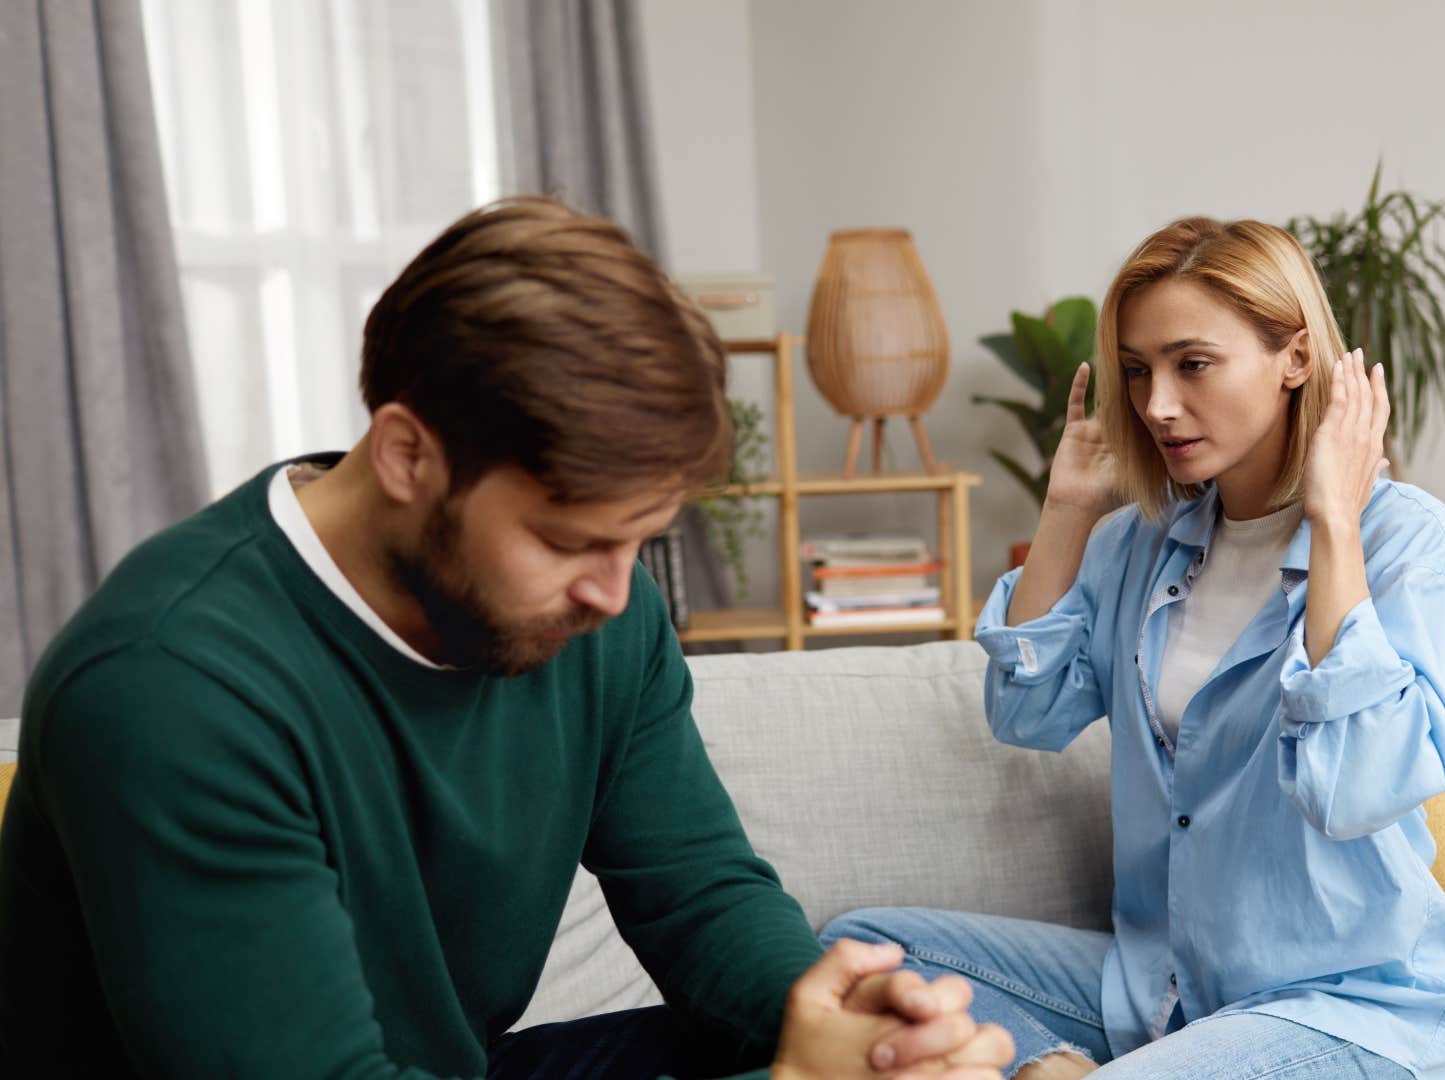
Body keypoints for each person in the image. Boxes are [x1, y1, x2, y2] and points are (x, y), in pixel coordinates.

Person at [0, 196, 1012, 1080]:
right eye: (567, 540)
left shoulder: (592, 615)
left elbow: (697, 893)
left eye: (640, 543)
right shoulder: (170, 687)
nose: (616, 596)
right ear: (407, 453)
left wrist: (841, 1030)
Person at [821, 217, 1445, 1079]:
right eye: (1138, 370)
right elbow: (1028, 714)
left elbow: (1355, 789)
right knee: (858, 952)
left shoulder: (1402, 539)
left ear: (1295, 358)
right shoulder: (1141, 539)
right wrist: (1068, 510)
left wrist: (1333, 525)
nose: (1157, 404)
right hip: (1161, 985)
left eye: (1192, 364)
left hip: (1347, 1004)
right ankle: (1050, 1065)